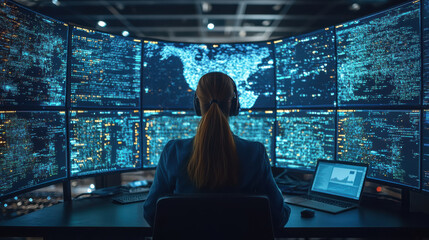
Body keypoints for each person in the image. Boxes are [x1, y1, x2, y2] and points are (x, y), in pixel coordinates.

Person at [143, 72, 290, 229]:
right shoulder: (255, 153)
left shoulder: (173, 152)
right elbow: (278, 218)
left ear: (197, 105)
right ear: (234, 105)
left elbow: (151, 213)